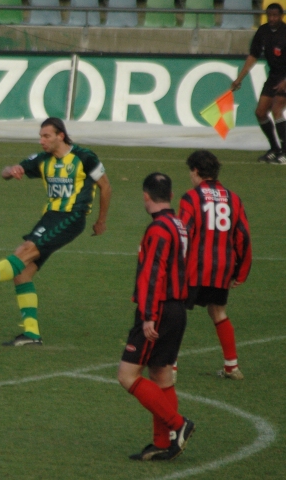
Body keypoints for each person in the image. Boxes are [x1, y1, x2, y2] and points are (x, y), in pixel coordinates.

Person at [0, 117, 111, 346]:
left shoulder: (84, 157)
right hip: (50, 217)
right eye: (40, 136)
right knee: (22, 272)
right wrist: (12, 170)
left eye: (46, 136)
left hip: (71, 217)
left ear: (61, 135)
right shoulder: (42, 160)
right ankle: (31, 334)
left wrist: (101, 220)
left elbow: (106, 186)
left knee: (26, 251)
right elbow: (4, 173)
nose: (42, 141)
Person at [117, 173, 195, 462]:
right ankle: (163, 443)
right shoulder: (179, 225)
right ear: (170, 196)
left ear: (145, 196)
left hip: (158, 309)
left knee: (127, 375)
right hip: (176, 309)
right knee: (161, 376)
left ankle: (178, 425)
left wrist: (149, 315)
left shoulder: (158, 229)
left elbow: (153, 273)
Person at [178, 150, 252, 380]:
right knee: (218, 312)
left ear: (196, 171)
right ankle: (232, 367)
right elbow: (243, 237)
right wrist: (241, 272)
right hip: (222, 268)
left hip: (195, 268)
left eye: (191, 171)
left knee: (175, 311)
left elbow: (184, 233)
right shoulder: (233, 198)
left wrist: (174, 266)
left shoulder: (191, 197)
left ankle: (169, 368)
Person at [231, 3, 286, 165]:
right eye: (269, 15)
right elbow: (253, 56)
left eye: (275, 15)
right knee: (260, 112)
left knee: (277, 110)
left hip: (285, 77)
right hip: (274, 76)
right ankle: (275, 148)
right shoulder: (263, 31)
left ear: (281, 16)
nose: (272, 18)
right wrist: (239, 79)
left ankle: (285, 151)